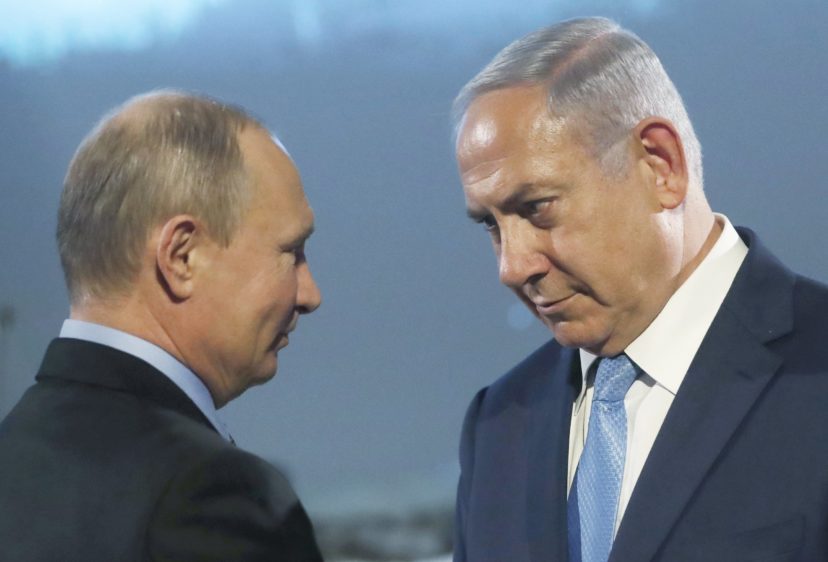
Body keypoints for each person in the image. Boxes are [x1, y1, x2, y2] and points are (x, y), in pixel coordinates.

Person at [451, 17, 828, 562]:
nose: (511, 267)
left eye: (536, 208)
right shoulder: (499, 424)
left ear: (660, 165)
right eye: (491, 224)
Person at [0, 91, 324, 561]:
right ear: (182, 257)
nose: (310, 294)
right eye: (291, 252)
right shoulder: (213, 494)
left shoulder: (14, 453)